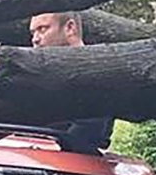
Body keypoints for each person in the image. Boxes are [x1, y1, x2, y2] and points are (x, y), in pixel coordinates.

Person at [28, 10, 115, 152]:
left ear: (70, 28)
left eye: (42, 29)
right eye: (33, 33)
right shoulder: (35, 77)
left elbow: (86, 137)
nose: (35, 39)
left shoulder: (97, 74)